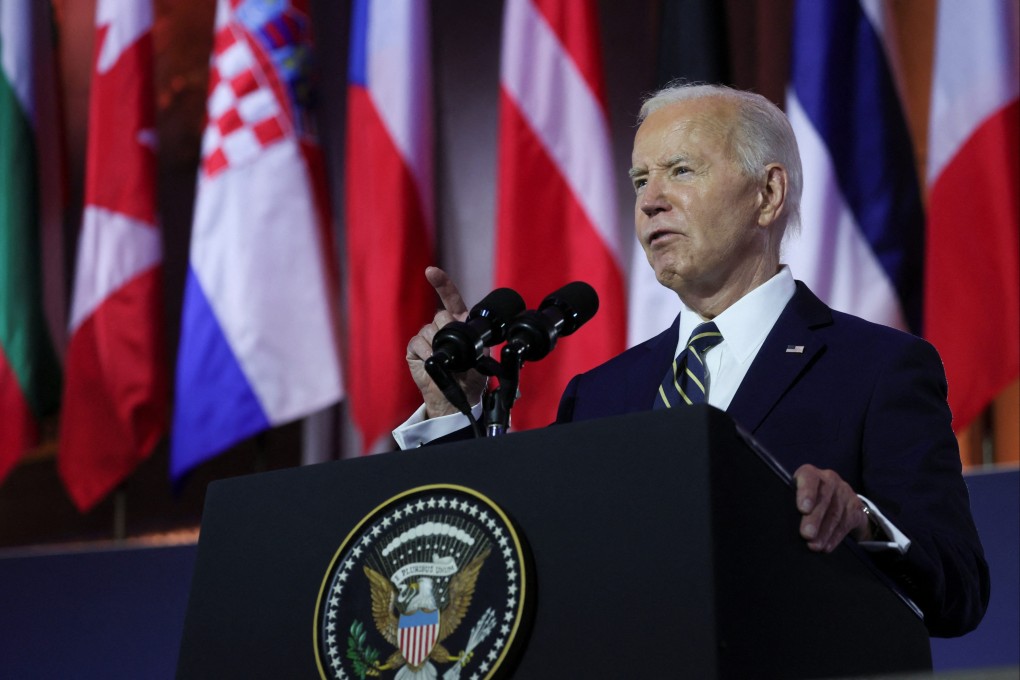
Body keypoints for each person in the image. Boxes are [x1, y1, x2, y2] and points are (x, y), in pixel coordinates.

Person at [396, 83, 989, 637]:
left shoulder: (878, 368)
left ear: (768, 194)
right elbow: (502, 561)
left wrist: (860, 520)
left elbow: (958, 588)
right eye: (638, 180)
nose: (651, 201)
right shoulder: (601, 394)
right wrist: (455, 408)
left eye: (681, 171)